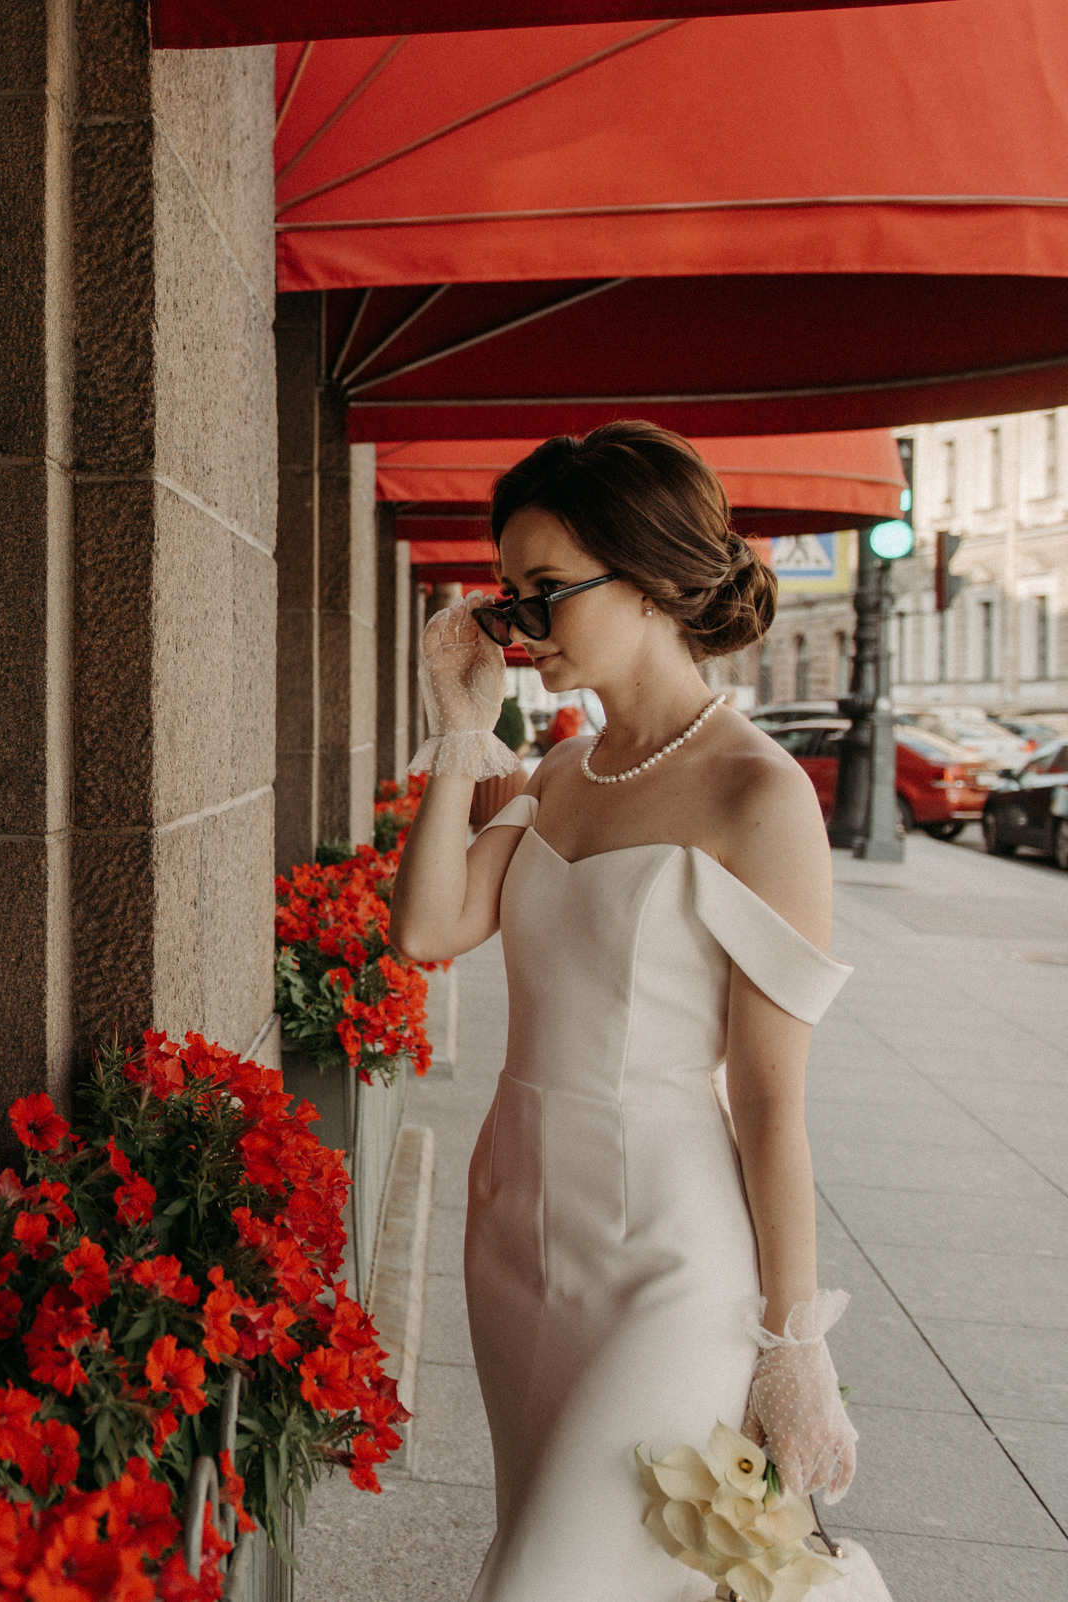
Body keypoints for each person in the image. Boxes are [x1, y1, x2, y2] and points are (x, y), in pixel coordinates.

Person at [389, 423, 858, 1600]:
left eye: (546, 591)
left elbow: (768, 1098)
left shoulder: (762, 794)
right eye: (509, 595)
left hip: (670, 1248)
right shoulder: (558, 772)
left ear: (649, 580)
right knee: (600, 1564)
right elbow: (427, 929)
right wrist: (462, 728)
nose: (520, 624)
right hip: (514, 1223)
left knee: (549, 1580)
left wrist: (793, 1345)